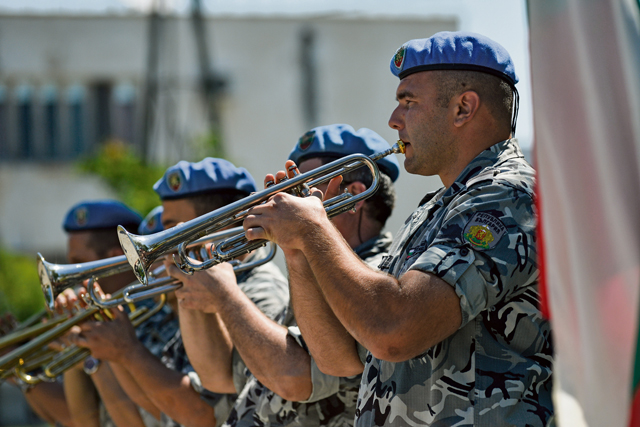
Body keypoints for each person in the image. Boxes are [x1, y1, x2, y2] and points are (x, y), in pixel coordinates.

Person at [242, 31, 554, 426]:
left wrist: (314, 229)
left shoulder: (507, 194)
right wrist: (297, 247)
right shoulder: (438, 207)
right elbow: (339, 359)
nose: (394, 120)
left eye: (409, 102)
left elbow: (394, 330)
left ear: (463, 108)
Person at [165, 124, 399, 426]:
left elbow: (294, 378)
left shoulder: (376, 273)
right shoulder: (314, 270)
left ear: (353, 195)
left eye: (302, 191)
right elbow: (222, 376)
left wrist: (227, 295)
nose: (288, 201)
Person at [69, 158, 289, 427]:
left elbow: (205, 413)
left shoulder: (263, 289)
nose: (164, 242)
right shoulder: (191, 285)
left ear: (220, 224)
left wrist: (125, 352)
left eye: (174, 229)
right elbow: (153, 415)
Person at [58, 200, 149, 427]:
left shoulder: (151, 312)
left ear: (116, 257)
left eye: (78, 265)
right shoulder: (95, 313)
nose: (71, 279)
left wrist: (93, 358)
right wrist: (74, 349)